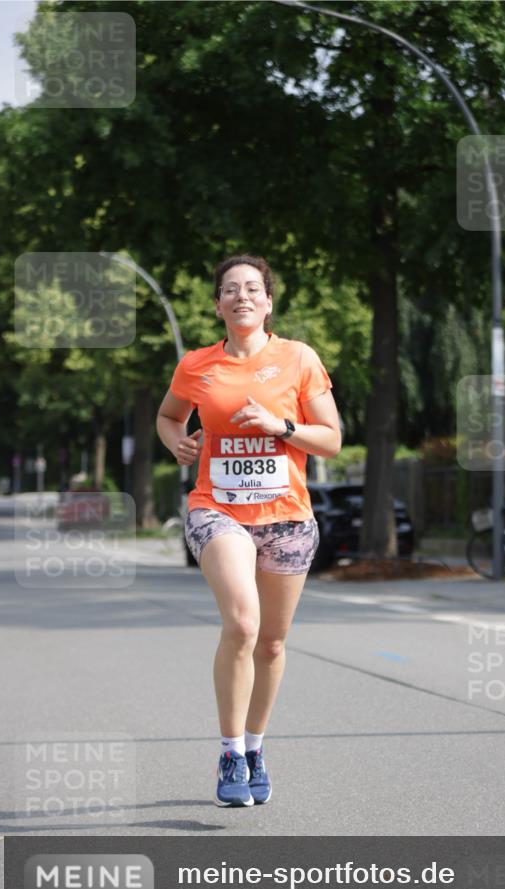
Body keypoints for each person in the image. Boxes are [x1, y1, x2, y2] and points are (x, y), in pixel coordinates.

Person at [156, 255, 341, 806]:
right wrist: (177, 442)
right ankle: (231, 752)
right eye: (230, 289)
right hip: (218, 508)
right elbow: (169, 417)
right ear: (217, 304)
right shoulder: (196, 365)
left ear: (267, 302)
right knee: (242, 622)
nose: (242, 296)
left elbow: (330, 439)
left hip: (287, 516)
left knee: (273, 641)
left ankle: (257, 747)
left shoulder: (298, 359)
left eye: (253, 288)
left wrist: (280, 426)